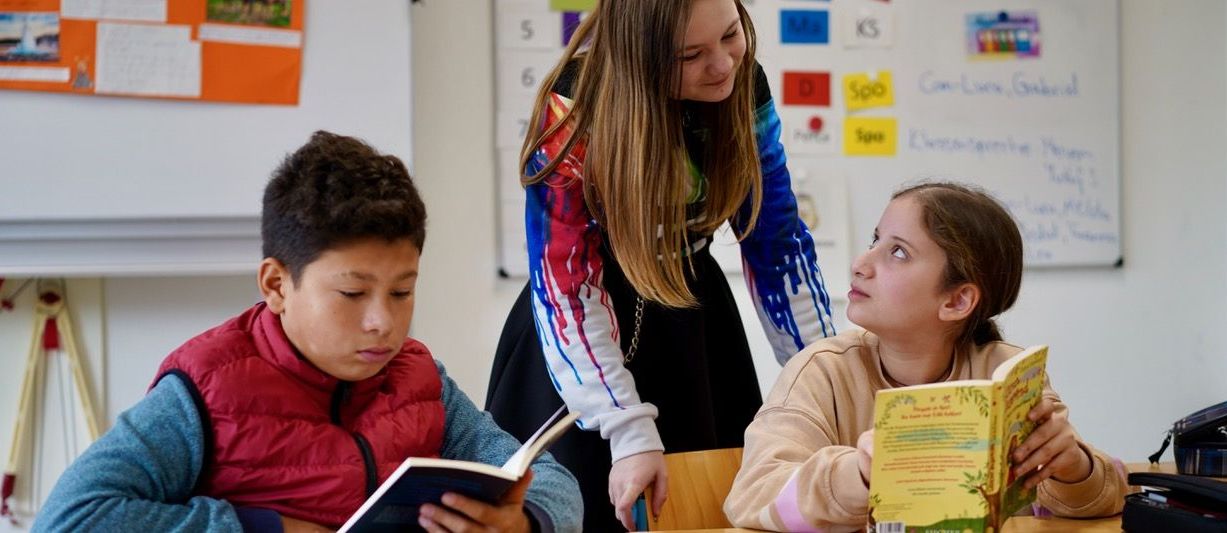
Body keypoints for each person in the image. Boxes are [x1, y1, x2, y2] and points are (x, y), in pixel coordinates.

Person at [33, 131, 582, 533]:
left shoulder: (420, 381)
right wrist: (265, 528)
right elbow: (70, 518)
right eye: (352, 294)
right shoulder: (204, 390)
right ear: (277, 284)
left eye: (401, 292)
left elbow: (554, 485)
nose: (382, 322)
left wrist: (523, 522)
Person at [484, 0, 835, 530]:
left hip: (691, 315)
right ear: (638, 56)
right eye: (690, 55)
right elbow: (566, 286)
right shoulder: (574, 108)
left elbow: (778, 247)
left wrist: (828, 387)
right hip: (583, 338)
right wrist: (626, 429)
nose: (723, 65)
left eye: (731, 35)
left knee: (706, 506)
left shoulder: (743, 85)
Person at [724, 182, 1128, 531]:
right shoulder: (823, 370)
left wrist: (1075, 467)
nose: (860, 264)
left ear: (957, 301)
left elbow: (1104, 497)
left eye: (898, 253)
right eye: (875, 241)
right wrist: (860, 474)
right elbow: (752, 494)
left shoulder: (1005, 374)